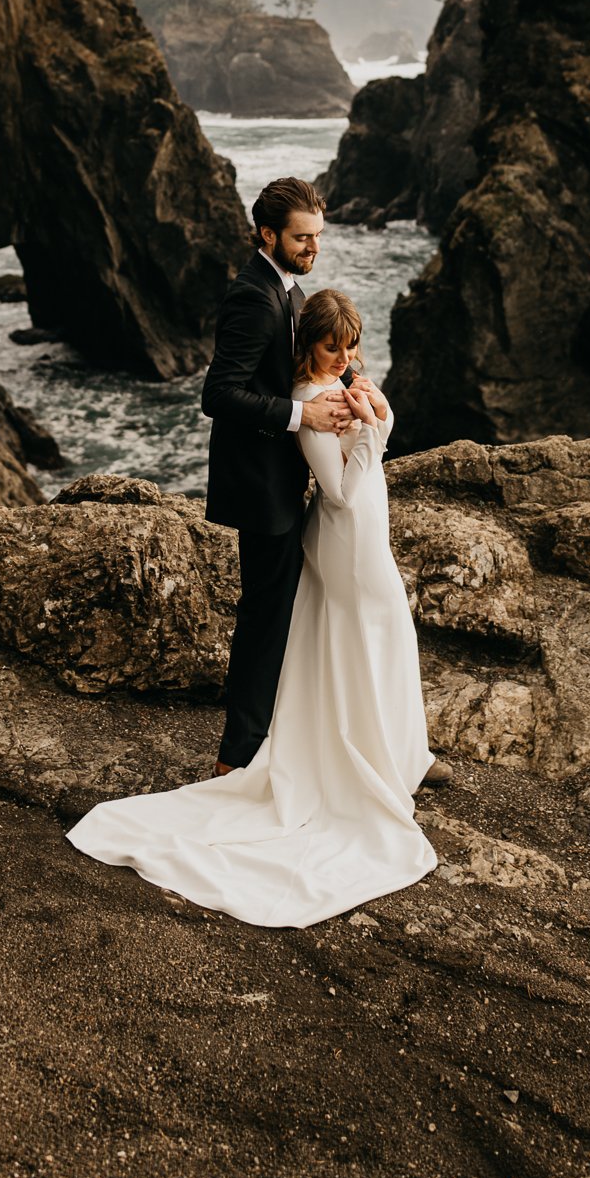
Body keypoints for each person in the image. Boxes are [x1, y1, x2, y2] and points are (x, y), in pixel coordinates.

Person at [65, 287, 438, 926]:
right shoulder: (305, 402)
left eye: (352, 345)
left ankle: (394, 756)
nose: (344, 355)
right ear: (307, 345)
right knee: (367, 636)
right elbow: (342, 492)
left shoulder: (343, 384)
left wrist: (375, 406)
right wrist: (367, 429)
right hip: (348, 537)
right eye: (332, 345)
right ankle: (365, 763)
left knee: (378, 637)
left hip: (365, 532)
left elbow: (377, 437)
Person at [200, 176, 350, 776]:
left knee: (279, 613)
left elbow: (288, 369)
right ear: (268, 235)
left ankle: (262, 742)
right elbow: (219, 394)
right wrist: (301, 415)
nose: (314, 248)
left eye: (318, 236)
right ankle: (237, 758)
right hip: (261, 490)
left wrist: (335, 389)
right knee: (265, 620)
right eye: (302, 238)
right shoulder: (255, 297)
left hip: (281, 482)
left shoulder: (286, 287)